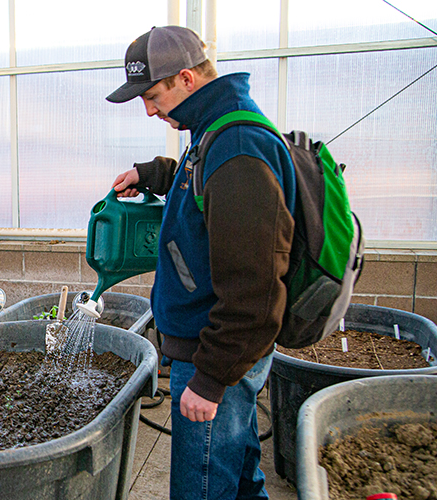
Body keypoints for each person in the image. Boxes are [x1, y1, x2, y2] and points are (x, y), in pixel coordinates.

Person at [106, 26, 296, 499]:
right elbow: (206, 194)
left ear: (186, 79)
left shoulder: (236, 146)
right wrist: (153, 174)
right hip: (220, 351)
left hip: (216, 353)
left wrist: (209, 382)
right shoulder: (213, 130)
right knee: (239, 476)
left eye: (152, 95)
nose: (149, 109)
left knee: (204, 487)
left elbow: (256, 289)